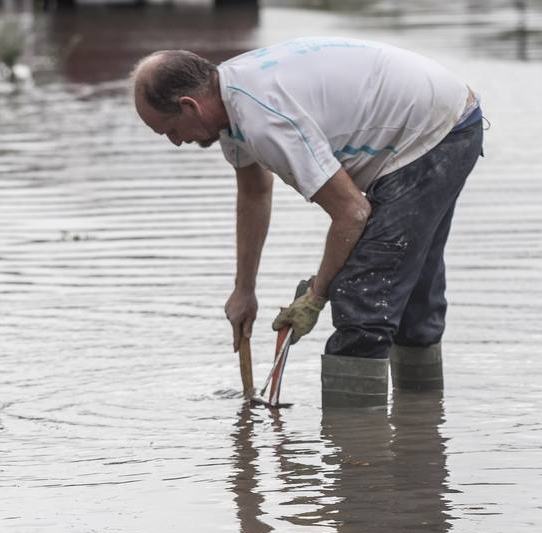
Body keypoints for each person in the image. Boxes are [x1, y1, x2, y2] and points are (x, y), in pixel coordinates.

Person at [131, 37, 484, 404]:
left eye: (170, 130)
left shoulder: (261, 118)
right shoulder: (229, 99)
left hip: (433, 133)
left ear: (190, 106)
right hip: (442, 119)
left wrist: (315, 297)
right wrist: (245, 290)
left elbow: (352, 213)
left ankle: (357, 450)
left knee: (364, 295)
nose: (175, 142)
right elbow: (254, 194)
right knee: (407, 289)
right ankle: (421, 427)